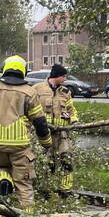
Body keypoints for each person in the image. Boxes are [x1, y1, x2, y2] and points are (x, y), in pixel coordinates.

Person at [0, 55, 52, 207]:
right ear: (23, 71)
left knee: (0, 168)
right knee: (23, 183)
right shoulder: (29, 92)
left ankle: (3, 180)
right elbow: (40, 122)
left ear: (4, 69)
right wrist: (46, 142)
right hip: (19, 145)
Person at [32, 63, 78, 191]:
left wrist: (74, 121)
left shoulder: (65, 92)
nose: (65, 79)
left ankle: (66, 189)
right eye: (63, 76)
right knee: (46, 161)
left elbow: (71, 109)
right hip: (43, 132)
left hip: (62, 133)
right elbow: (29, 108)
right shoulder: (37, 89)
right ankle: (45, 188)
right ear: (56, 76)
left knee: (66, 158)